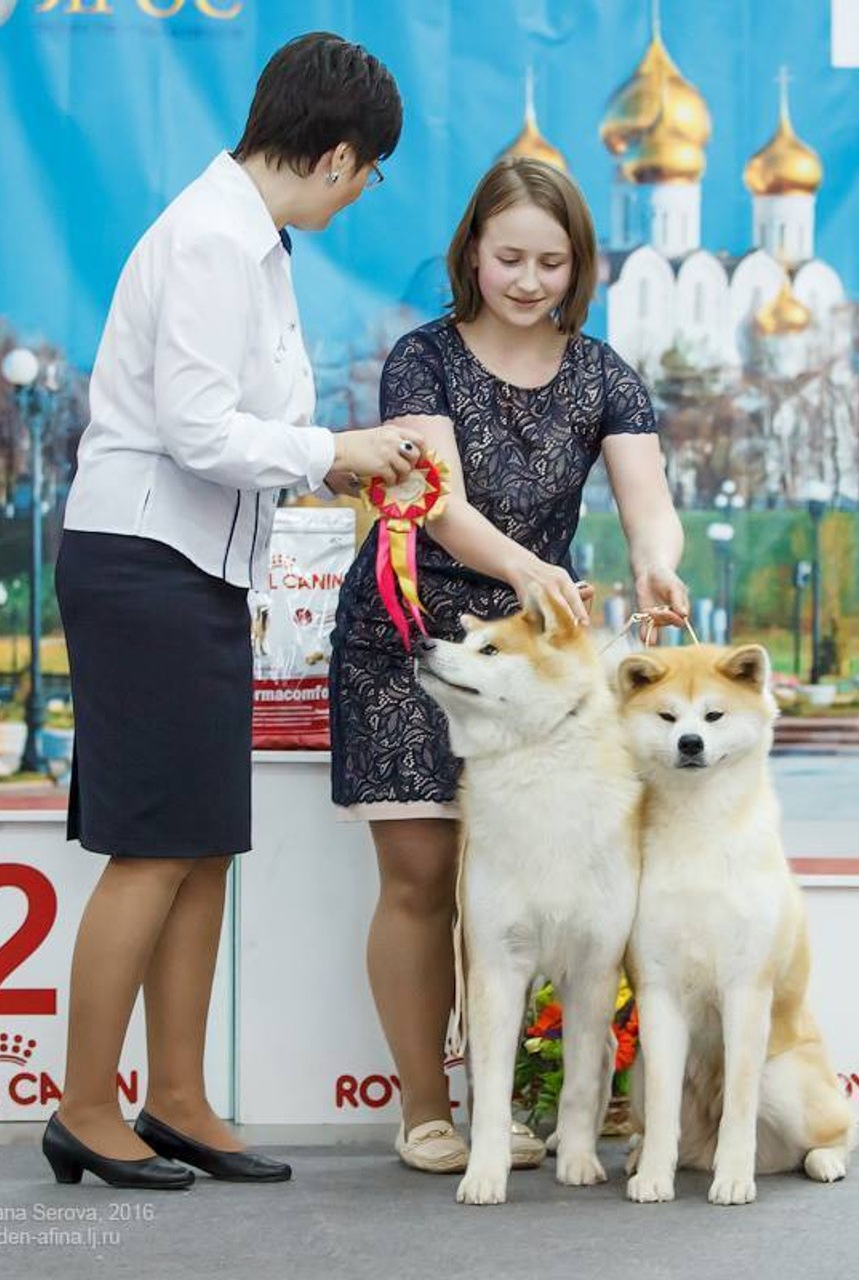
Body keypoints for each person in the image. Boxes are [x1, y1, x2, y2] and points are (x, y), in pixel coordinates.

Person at [47, 32, 426, 1190]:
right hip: (143, 558)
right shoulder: (214, 241)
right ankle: (81, 1105)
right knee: (151, 848)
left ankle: (176, 1095)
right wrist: (336, 447)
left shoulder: (246, 239)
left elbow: (238, 435)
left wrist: (333, 463)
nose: (364, 193)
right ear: (341, 155)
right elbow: (199, 430)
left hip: (193, 564)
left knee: (202, 844)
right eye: (370, 173)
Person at [328, 156, 689, 1173]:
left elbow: (645, 501)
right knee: (424, 873)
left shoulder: (605, 373)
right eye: (508, 258)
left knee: (559, 888)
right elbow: (433, 500)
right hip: (409, 637)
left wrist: (656, 568)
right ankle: (426, 1112)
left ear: (578, 265)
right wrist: (530, 564)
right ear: (471, 255)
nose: (528, 280)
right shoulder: (420, 360)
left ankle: (523, 1106)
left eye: (551, 260)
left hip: (542, 668)